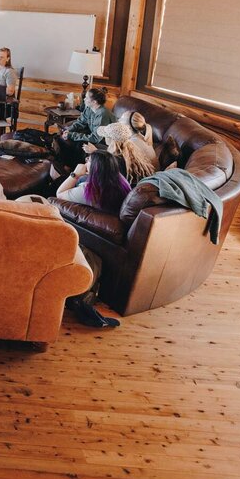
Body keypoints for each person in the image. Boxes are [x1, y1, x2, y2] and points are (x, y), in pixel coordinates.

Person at [53, 150, 131, 330]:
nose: (86, 161)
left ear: (95, 168)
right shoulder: (121, 181)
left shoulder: (88, 190)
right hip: (109, 220)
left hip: (91, 232)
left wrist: (75, 174)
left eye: (89, 160)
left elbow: (59, 194)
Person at [54, 86, 116, 168]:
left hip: (105, 141)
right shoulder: (89, 108)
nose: (84, 99)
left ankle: (74, 168)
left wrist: (71, 135)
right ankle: (62, 165)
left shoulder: (102, 114)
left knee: (80, 144)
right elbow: (81, 122)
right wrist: (68, 130)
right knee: (61, 138)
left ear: (94, 102)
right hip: (94, 135)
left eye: (87, 97)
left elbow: (95, 138)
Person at [96, 121, 158, 185]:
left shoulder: (114, 160)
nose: (104, 138)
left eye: (106, 136)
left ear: (112, 140)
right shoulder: (133, 151)